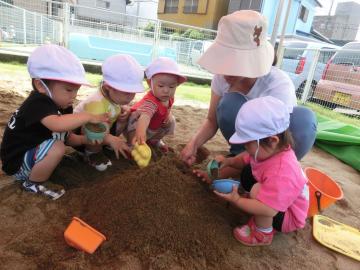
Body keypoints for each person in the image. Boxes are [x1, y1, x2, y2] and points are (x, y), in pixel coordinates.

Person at [180, 10, 317, 165]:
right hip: (247, 147)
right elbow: (212, 121)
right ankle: (239, 156)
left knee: (304, 120)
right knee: (229, 103)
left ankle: (274, 167)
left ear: (251, 61)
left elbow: (278, 139)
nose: (224, 71)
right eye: (222, 61)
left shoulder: (278, 84)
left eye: (233, 63)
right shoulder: (221, 79)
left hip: (272, 150)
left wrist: (233, 166)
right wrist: (193, 144)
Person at [196, 96, 309, 246]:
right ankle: (253, 200)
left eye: (248, 144)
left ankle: (263, 233)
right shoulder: (269, 152)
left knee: (256, 190)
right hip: (279, 200)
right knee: (248, 171)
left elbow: (268, 210)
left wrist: (237, 200)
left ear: (272, 140)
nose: (245, 148)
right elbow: (243, 159)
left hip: (287, 215)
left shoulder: (282, 171)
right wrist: (229, 161)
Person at [0, 44, 108, 200]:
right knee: (57, 147)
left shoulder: (63, 106)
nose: (74, 96)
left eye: (76, 90)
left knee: (59, 144)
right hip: (16, 163)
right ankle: (32, 183)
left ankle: (39, 169)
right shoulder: (37, 103)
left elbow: (67, 137)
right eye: (69, 90)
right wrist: (88, 116)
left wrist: (86, 140)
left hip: (33, 153)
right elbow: (57, 125)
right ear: (40, 85)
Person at [74, 54, 145, 171]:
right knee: (101, 124)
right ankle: (92, 154)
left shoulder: (111, 96)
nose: (131, 97)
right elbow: (90, 129)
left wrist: (123, 111)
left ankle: (132, 144)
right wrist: (110, 139)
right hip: (84, 137)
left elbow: (112, 106)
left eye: (134, 92)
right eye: (127, 92)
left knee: (134, 114)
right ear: (109, 87)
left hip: (104, 131)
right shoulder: (96, 104)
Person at [127, 57, 186, 151]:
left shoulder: (169, 97)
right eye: (161, 86)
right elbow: (145, 117)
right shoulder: (151, 102)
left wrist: (168, 115)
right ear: (150, 84)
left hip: (153, 124)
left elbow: (168, 107)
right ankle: (133, 144)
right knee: (136, 128)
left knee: (171, 121)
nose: (166, 90)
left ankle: (154, 140)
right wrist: (140, 133)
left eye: (171, 86)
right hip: (136, 124)